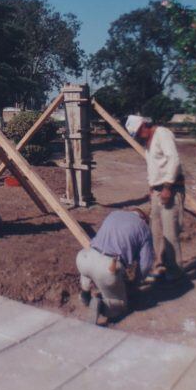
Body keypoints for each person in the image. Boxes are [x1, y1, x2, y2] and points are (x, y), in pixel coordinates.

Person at [125, 114, 185, 281]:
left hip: (171, 189)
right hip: (157, 191)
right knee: (156, 232)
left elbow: (173, 160)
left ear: (144, 124)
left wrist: (167, 187)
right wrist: (152, 186)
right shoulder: (148, 143)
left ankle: (175, 272)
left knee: (170, 232)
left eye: (138, 133)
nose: (138, 137)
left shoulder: (162, 134)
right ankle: (158, 266)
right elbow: (154, 166)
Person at [76, 208, 154, 323]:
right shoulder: (144, 228)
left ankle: (85, 292)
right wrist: (136, 283)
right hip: (108, 268)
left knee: (90, 269)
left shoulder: (115, 214)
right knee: (121, 304)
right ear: (144, 219)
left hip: (84, 257)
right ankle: (102, 305)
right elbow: (145, 265)